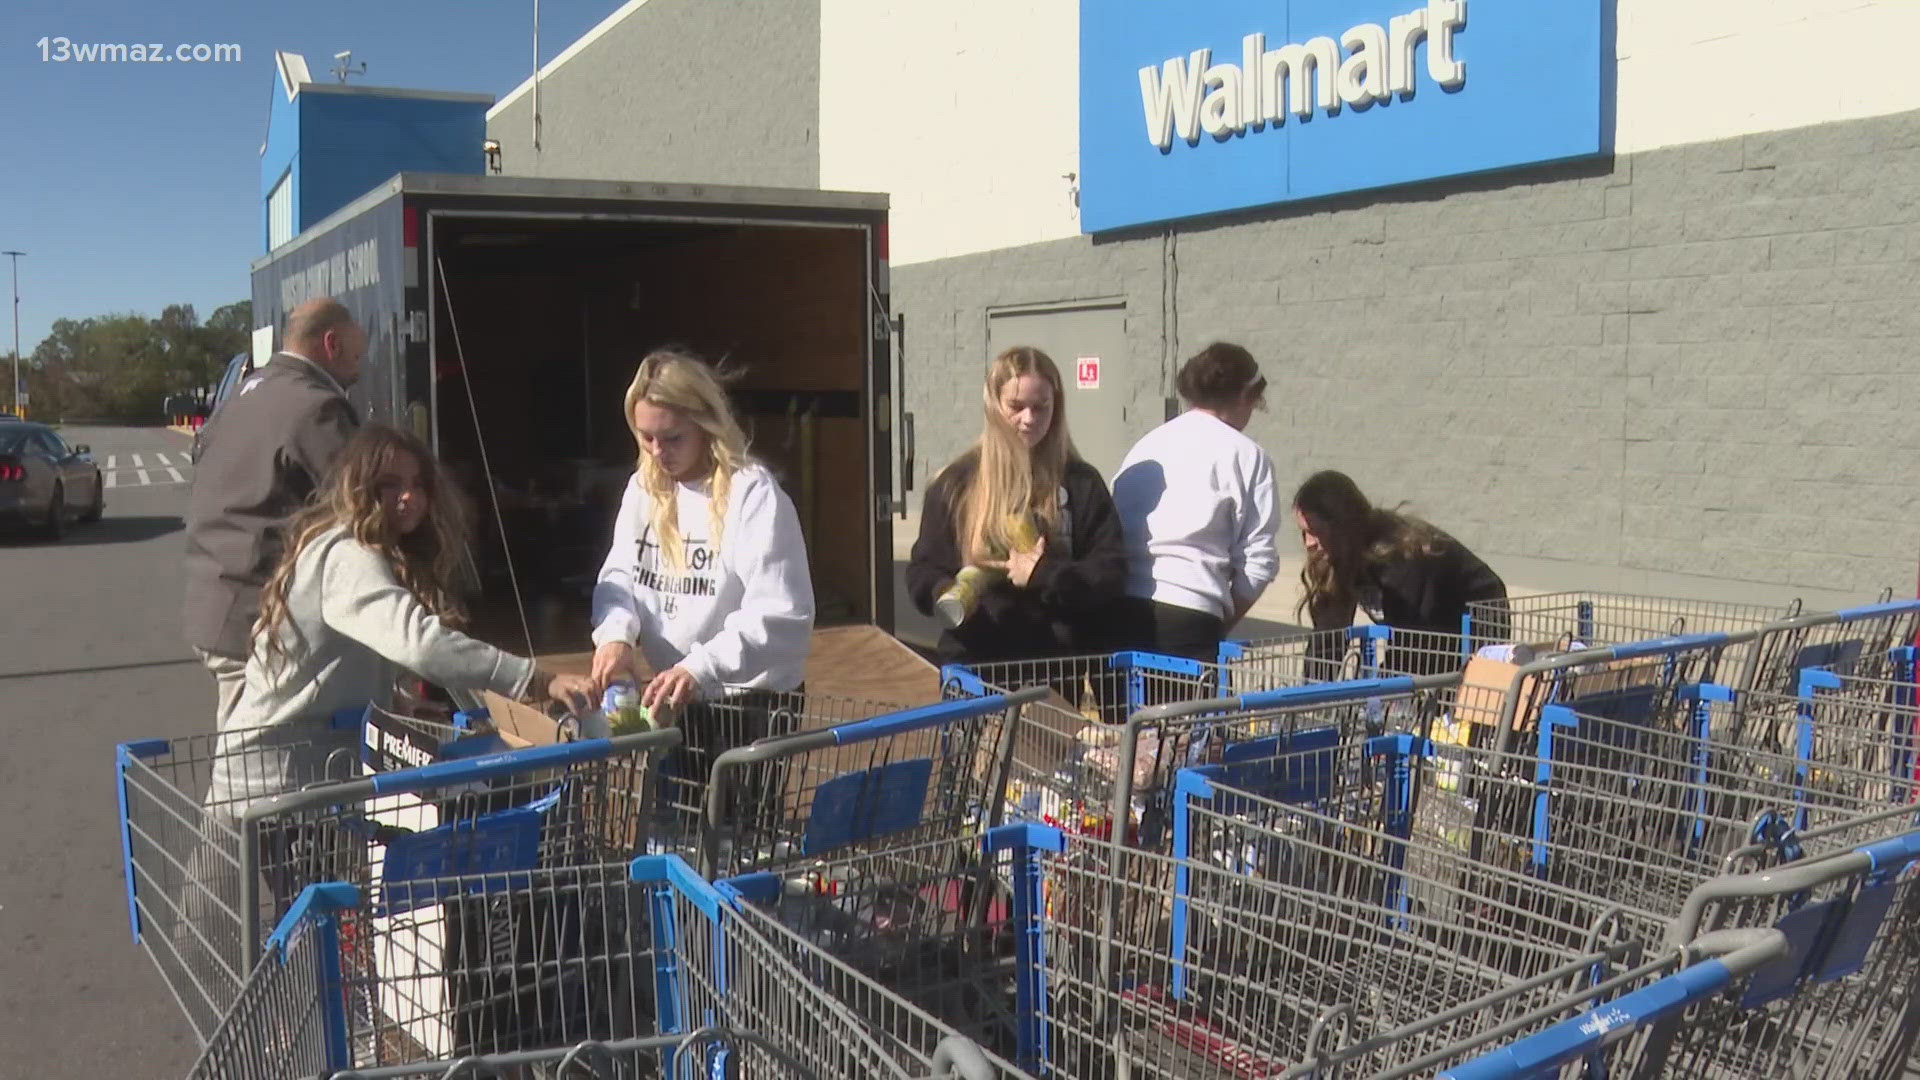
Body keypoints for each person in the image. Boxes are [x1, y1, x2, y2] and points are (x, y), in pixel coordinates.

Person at [203, 424, 595, 812]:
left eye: (420, 485)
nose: (409, 496)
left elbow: (339, 652)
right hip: (270, 784)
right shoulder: (348, 555)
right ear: (360, 488)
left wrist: (393, 700)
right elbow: (422, 644)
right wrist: (536, 679)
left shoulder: (357, 550)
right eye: (390, 484)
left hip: (300, 778)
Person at [588, 349, 815, 808]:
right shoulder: (644, 486)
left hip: (743, 703)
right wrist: (614, 636)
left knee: (731, 843)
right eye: (645, 437)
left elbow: (780, 613)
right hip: (672, 696)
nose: (657, 452)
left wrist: (700, 667)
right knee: (675, 834)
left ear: (706, 423)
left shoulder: (752, 494)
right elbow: (620, 575)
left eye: (672, 438)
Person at [183, 298, 365, 728]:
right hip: (256, 616)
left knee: (254, 767)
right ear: (331, 343)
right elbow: (360, 506)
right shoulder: (317, 407)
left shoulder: (246, 392)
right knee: (252, 777)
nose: (363, 357)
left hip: (215, 602)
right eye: (359, 347)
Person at [906, 346, 1128, 666]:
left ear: (1057, 407)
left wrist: (1046, 574)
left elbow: (1111, 572)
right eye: (1016, 406)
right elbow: (922, 570)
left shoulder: (1081, 481)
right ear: (994, 404)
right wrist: (949, 591)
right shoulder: (955, 484)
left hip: (1055, 664)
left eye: (1041, 408)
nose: (1029, 419)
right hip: (975, 659)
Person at [1112, 342, 1279, 663]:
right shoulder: (1247, 455)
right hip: (1191, 616)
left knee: (1125, 715)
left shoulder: (1146, 445)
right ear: (1245, 396)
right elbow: (1259, 562)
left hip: (1122, 613)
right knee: (1192, 714)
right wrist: (1219, 620)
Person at [1293, 470, 1508, 676]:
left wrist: (1387, 696)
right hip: (1424, 629)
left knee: (1454, 694)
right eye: (1303, 532)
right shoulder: (1335, 558)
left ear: (1343, 526)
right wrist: (1310, 695)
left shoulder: (1401, 557)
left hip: (1473, 616)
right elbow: (1329, 637)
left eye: (1316, 532)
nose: (1309, 543)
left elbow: (1414, 643)